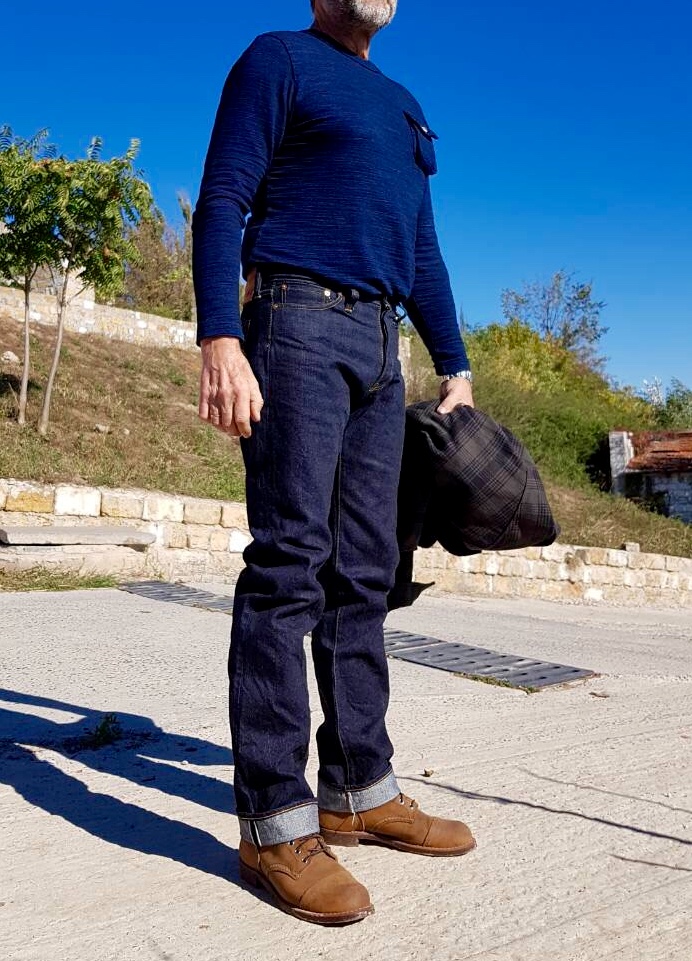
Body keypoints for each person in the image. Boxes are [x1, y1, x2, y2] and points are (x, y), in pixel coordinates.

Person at [192, 0, 476, 925]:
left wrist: (456, 364)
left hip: (381, 348)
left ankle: (358, 788)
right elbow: (224, 196)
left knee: (365, 573)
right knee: (290, 565)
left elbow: (421, 246)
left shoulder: (402, 104)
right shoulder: (279, 59)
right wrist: (220, 337)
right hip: (295, 323)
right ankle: (274, 823)